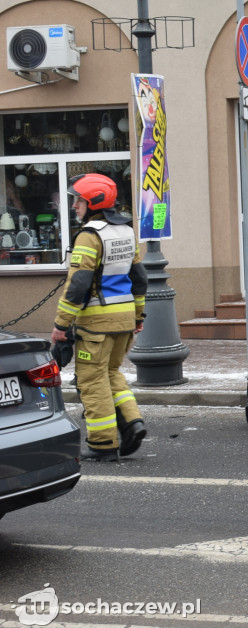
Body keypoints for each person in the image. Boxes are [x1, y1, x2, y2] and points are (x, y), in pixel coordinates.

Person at [51, 174, 148, 462]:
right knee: (112, 373)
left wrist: (61, 324)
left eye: (77, 200)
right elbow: (139, 279)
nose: (74, 206)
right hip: (124, 319)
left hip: (96, 324)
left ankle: (103, 443)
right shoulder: (127, 232)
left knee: (92, 381)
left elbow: (78, 284)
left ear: (91, 202)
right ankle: (133, 422)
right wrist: (138, 316)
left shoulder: (89, 235)